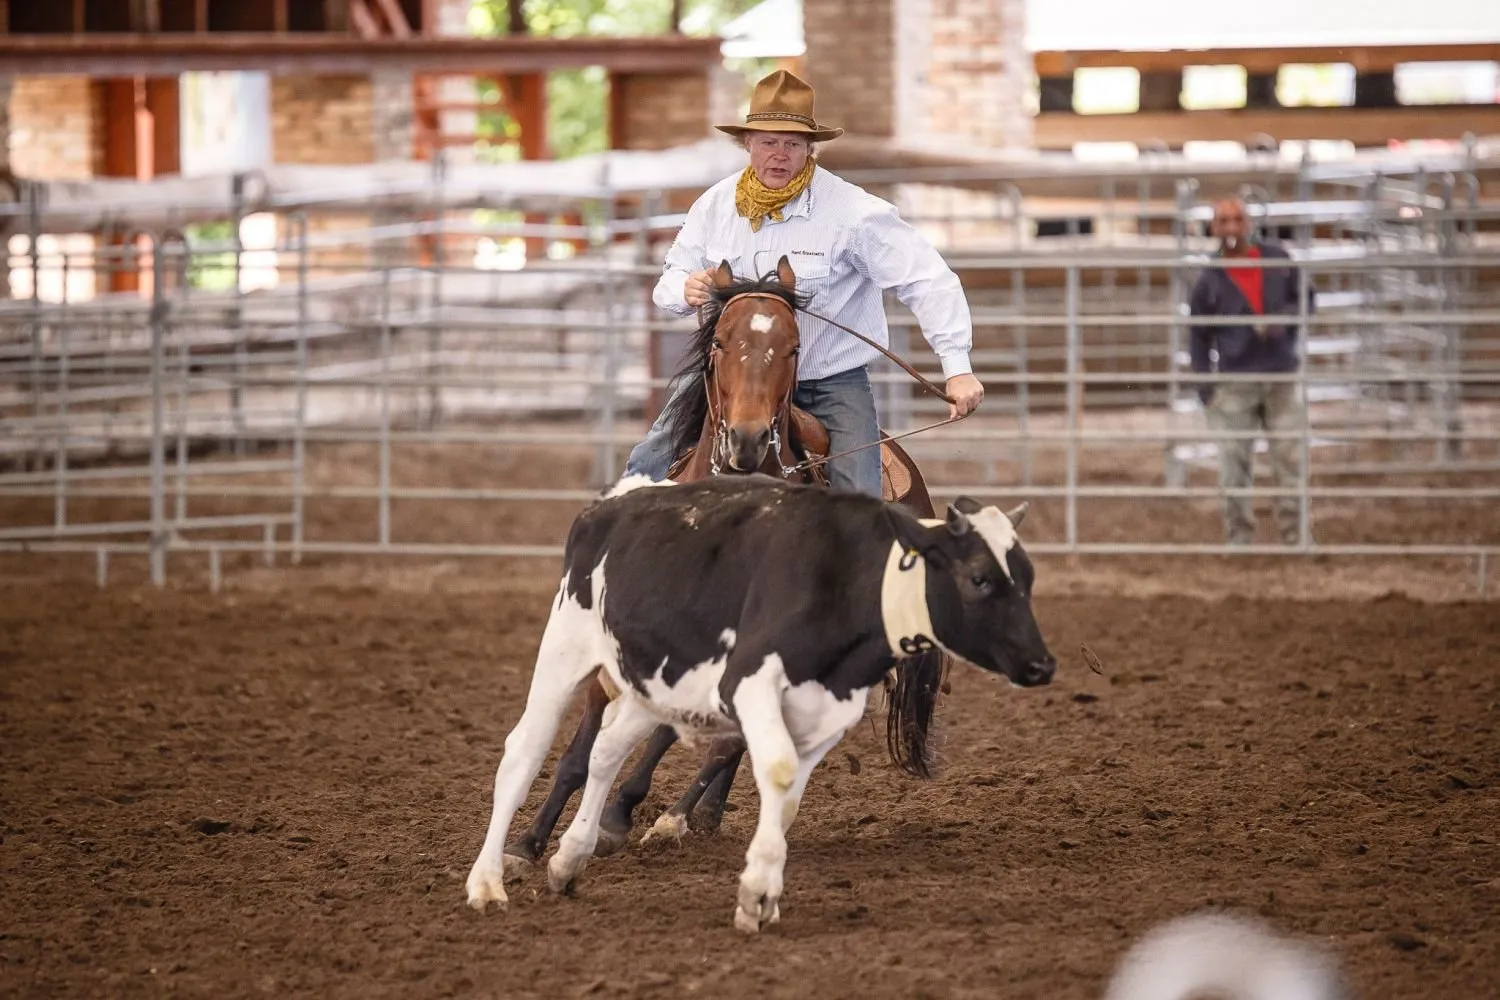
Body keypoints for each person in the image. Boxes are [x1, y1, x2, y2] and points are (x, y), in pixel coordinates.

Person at [624, 70, 983, 497]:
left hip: (828, 381)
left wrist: (956, 367)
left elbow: (927, 277)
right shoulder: (715, 206)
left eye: (792, 144)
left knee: (859, 500)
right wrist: (684, 288)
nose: (779, 155)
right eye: (768, 142)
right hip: (732, 378)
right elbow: (671, 278)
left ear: (810, 149)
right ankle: (613, 553)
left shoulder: (853, 212)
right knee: (647, 464)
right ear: (748, 144)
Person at [1188, 196, 1317, 546]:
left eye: (1237, 220)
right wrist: (1206, 388)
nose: (1231, 228)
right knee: (1233, 465)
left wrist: (1284, 321)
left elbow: (1306, 299)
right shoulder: (1209, 280)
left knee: (1291, 461)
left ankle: (1296, 536)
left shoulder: (1276, 259)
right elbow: (1198, 336)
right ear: (1214, 228)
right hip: (1235, 381)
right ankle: (1239, 537)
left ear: (1248, 224)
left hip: (1280, 376)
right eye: (1223, 221)